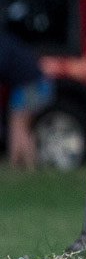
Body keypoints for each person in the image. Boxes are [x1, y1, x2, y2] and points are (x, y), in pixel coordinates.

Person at [1, 29, 52, 169]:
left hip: (29, 87)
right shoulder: (9, 40)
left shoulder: (4, 44)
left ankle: (16, 163)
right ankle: (28, 164)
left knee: (17, 125)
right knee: (24, 127)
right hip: (40, 84)